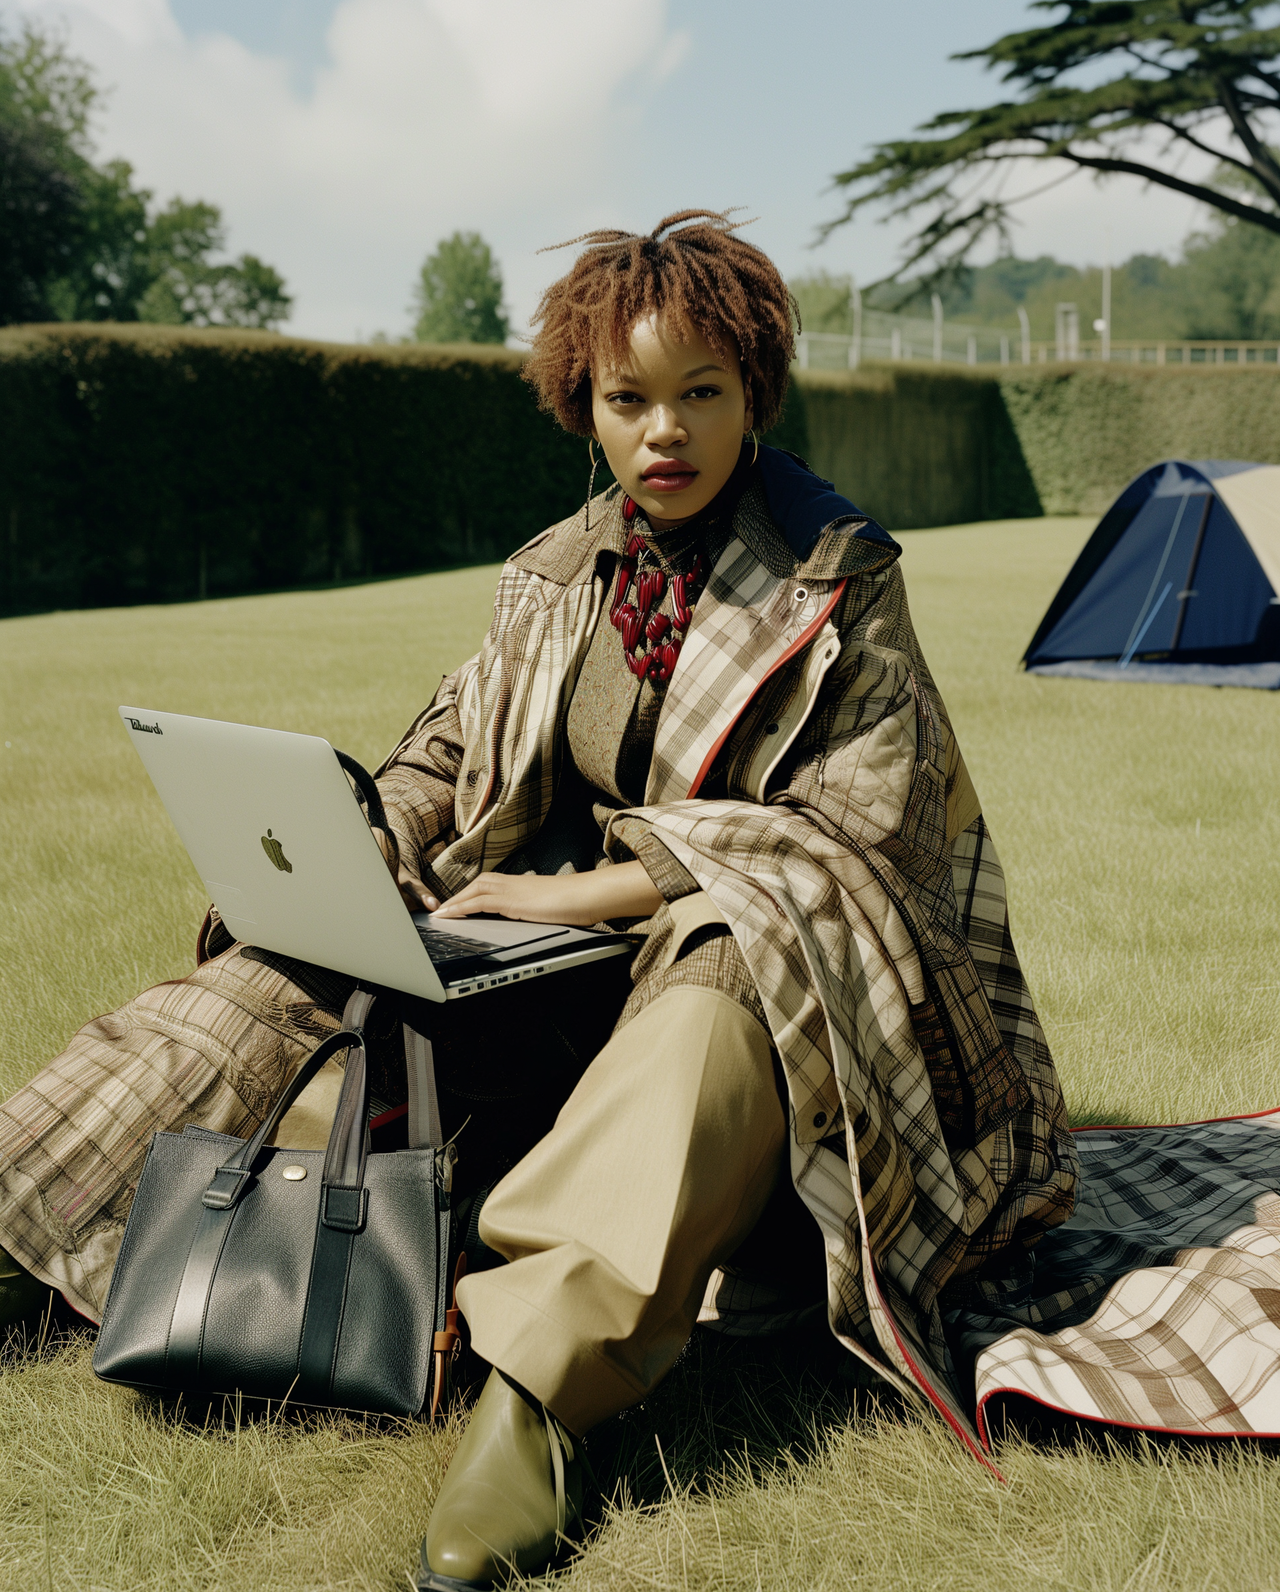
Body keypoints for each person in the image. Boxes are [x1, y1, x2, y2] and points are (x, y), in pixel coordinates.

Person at [0, 211, 1078, 1590]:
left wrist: (609, 895)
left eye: (702, 392)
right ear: (586, 405)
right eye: (629, 400)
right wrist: (377, 841)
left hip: (769, 1042)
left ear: (755, 392)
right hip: (537, 991)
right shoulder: (555, 572)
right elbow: (444, 751)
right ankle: (25, 1222)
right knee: (275, 983)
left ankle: (535, 1397)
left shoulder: (839, 580)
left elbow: (867, 843)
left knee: (726, 962)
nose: (666, 432)